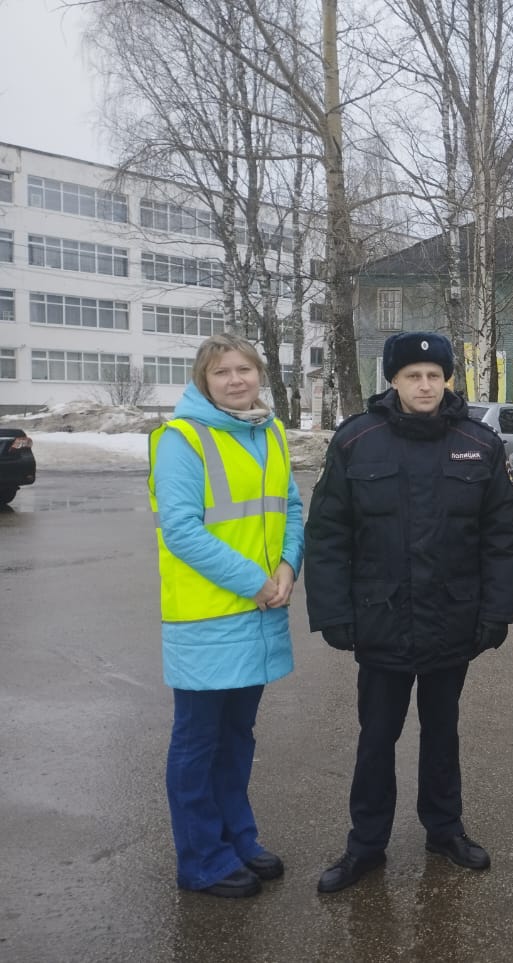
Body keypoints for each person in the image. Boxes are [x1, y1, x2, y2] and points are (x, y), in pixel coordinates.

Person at [305, 332, 513, 894]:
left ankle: (444, 830)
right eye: (412, 376)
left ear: (447, 379)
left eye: (434, 375)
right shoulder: (358, 440)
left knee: (442, 732)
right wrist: (333, 611)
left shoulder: (479, 443)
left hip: (453, 620)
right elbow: (329, 534)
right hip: (380, 620)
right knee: (377, 736)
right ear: (394, 381)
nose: (424, 385)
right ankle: (365, 845)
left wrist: (495, 613)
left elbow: (501, 538)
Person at [147, 333, 303, 899]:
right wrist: (257, 582)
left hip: (260, 610)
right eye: (222, 373)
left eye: (245, 369)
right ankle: (201, 858)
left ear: (259, 374)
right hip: (207, 617)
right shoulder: (180, 439)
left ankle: (238, 837)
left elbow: (289, 505)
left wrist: (289, 564)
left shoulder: (270, 432)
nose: (236, 380)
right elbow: (182, 531)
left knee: (237, 737)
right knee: (197, 741)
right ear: (202, 380)